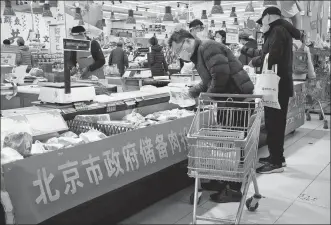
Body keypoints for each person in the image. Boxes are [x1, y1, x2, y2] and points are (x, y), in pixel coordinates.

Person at [168, 29, 254, 203]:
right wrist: (192, 92)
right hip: (228, 101)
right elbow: (210, 79)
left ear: (187, 42)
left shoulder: (207, 47)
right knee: (228, 144)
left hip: (236, 101)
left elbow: (221, 76)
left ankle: (234, 189)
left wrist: (207, 96)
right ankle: (224, 180)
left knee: (235, 144)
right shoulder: (200, 54)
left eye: (178, 50)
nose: (179, 55)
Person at [240, 6, 304, 174]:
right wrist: (245, 50)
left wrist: (254, 61)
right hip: (279, 84)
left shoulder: (277, 30)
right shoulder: (283, 30)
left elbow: (272, 56)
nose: (262, 25)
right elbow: (267, 52)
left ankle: (275, 162)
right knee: (276, 121)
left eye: (263, 21)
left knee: (274, 122)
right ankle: (277, 157)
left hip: (276, 85)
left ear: (268, 17)